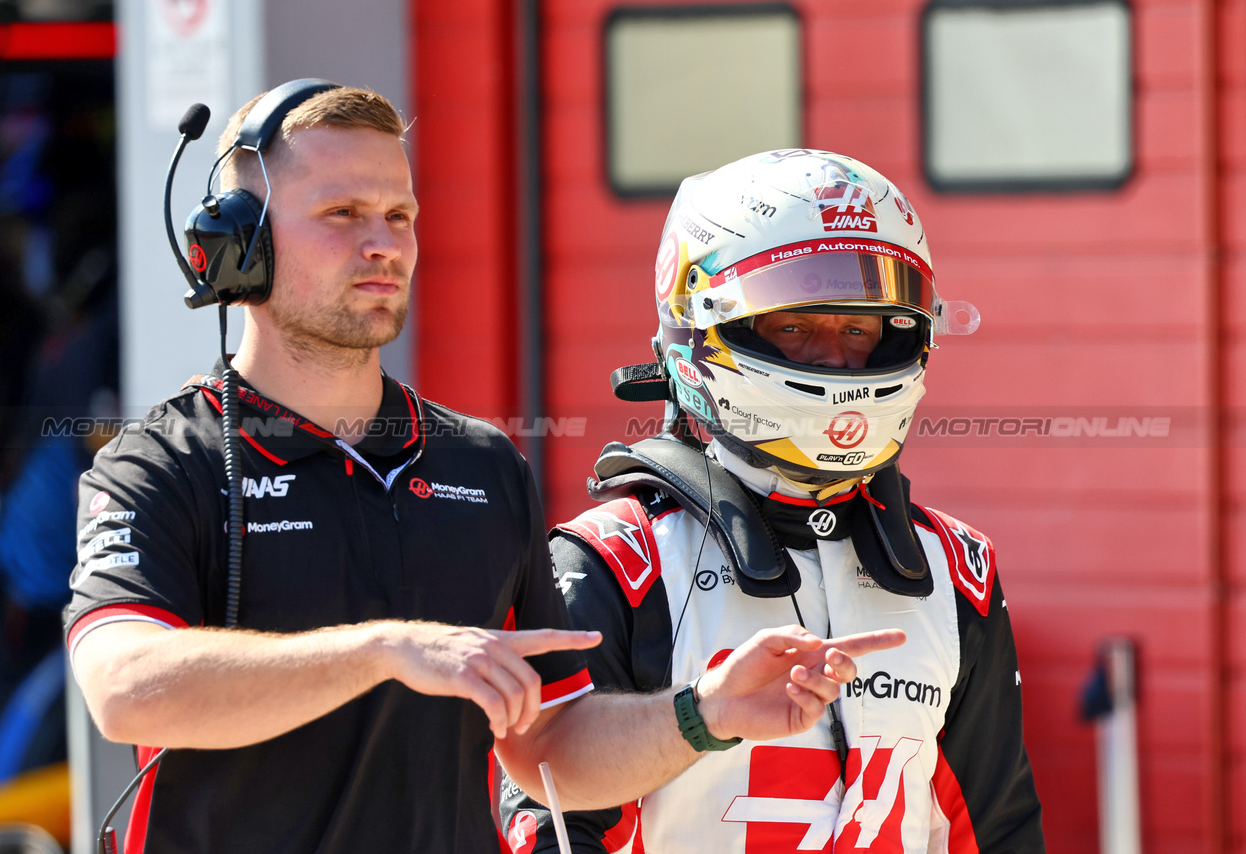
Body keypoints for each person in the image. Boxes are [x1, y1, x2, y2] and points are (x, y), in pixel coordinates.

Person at [64, 88, 904, 854]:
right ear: (239, 246)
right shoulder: (159, 465)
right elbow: (126, 687)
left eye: (401, 215)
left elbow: (548, 752)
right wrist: (385, 651)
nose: (382, 244)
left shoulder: (483, 465)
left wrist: (705, 714)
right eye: (343, 212)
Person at [500, 150, 1045, 853]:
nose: (835, 361)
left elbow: (997, 831)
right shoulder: (611, 563)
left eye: (859, 329)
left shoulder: (956, 570)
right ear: (702, 325)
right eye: (794, 327)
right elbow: (549, 824)